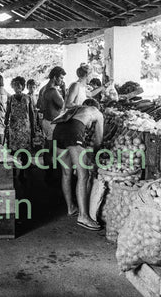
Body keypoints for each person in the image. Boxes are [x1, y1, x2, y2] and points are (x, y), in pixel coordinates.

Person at [52, 98, 104, 231]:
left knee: (66, 172)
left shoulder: (76, 109)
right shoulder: (97, 112)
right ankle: (83, 216)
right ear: (96, 106)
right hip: (73, 132)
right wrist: (93, 157)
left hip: (58, 131)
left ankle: (71, 208)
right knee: (83, 175)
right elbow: (98, 140)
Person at [5, 77, 35, 152]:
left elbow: (31, 113)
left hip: (25, 126)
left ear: (23, 86)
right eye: (14, 85)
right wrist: (5, 122)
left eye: (19, 85)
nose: (17, 87)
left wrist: (33, 126)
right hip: (14, 126)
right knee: (14, 148)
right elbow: (8, 111)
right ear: (12, 87)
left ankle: (26, 162)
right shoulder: (11, 98)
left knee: (25, 148)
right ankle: (15, 162)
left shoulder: (28, 98)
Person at [37, 66, 66, 141]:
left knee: (48, 146)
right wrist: (64, 90)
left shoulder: (43, 89)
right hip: (51, 123)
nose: (62, 81)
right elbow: (64, 105)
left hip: (46, 121)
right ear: (54, 77)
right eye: (61, 78)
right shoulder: (53, 90)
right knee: (53, 148)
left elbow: (39, 106)